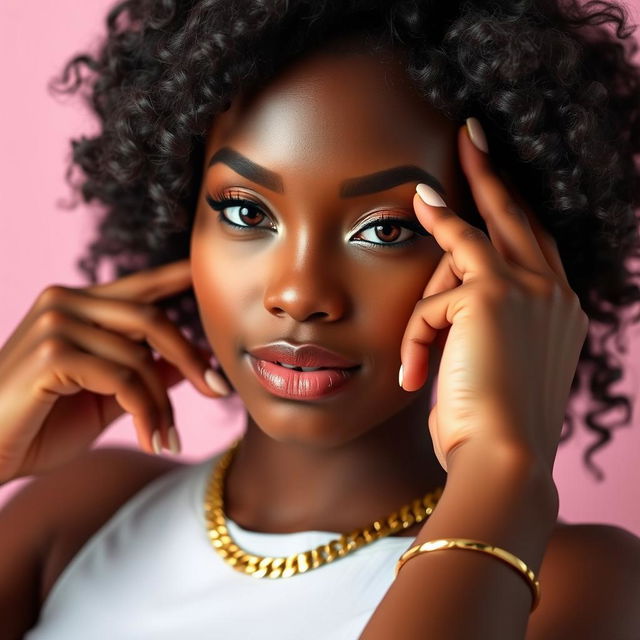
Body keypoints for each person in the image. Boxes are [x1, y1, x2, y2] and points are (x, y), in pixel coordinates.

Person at [1, 0, 640, 637]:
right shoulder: (89, 508)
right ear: (181, 217)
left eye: (386, 229)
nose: (300, 293)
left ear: (508, 257)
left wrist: (502, 471)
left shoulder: (571, 579)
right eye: (246, 212)